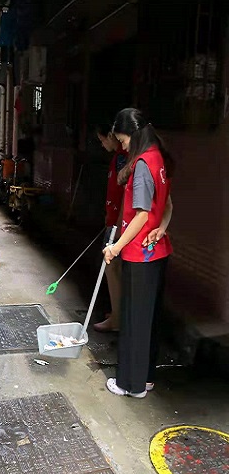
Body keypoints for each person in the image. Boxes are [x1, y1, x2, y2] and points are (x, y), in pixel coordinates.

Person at [103, 108, 173, 398]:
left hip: (139, 254)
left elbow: (142, 215)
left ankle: (130, 385)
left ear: (133, 134)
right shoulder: (158, 158)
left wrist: (116, 247)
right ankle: (145, 379)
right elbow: (167, 205)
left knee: (133, 320)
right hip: (157, 252)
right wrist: (163, 228)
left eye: (123, 140)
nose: (122, 146)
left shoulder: (143, 164)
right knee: (150, 319)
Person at [93, 124, 127, 333]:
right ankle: (118, 312)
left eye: (102, 140)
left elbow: (125, 194)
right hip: (114, 220)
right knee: (114, 268)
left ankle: (117, 319)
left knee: (112, 268)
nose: (102, 144)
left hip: (118, 224)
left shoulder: (123, 158)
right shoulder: (120, 156)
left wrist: (117, 222)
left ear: (111, 135)